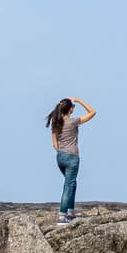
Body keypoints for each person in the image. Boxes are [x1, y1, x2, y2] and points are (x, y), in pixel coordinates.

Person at [45, 96, 96, 225]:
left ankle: (71, 212)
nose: (74, 108)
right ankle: (62, 216)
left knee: (72, 183)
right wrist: (79, 100)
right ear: (69, 109)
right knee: (68, 185)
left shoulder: (56, 123)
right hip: (72, 157)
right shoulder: (73, 122)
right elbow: (92, 112)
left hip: (60, 157)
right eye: (73, 106)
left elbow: (54, 144)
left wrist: (62, 151)